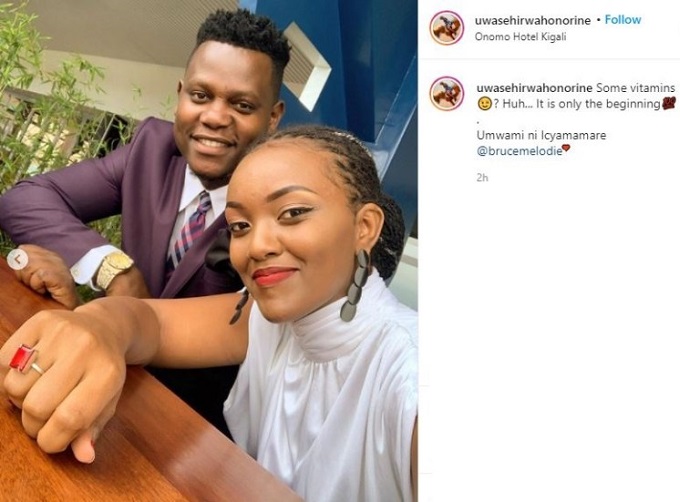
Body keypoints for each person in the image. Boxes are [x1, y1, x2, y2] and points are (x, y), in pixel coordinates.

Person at [0, 125, 418, 501]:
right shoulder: (267, 320)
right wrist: (98, 326)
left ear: (364, 227)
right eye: (240, 226)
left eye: (292, 213)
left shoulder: (413, 374)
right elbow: (153, 324)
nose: (257, 246)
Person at [0, 8, 290, 436]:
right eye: (200, 96)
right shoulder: (151, 149)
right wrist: (112, 268)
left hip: (193, 426)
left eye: (242, 105)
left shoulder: (285, 205)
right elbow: (24, 200)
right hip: (94, 381)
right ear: (180, 94)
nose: (214, 117)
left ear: (273, 117)